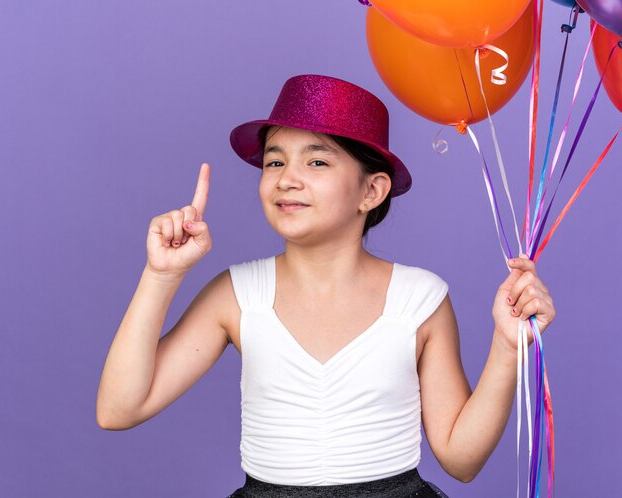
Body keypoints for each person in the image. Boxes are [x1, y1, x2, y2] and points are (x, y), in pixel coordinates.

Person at [96, 74, 555, 498]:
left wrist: (505, 345)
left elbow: (461, 460)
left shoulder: (420, 299)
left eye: (316, 160)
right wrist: (162, 276)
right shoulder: (237, 296)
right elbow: (118, 410)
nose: (286, 178)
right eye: (274, 161)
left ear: (371, 192)